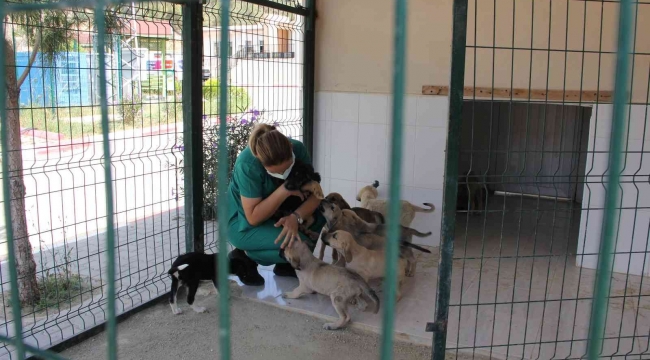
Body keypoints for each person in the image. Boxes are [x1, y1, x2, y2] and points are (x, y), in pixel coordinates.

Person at [227, 124, 325, 286]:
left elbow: (316, 194)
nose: (282, 175)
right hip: (243, 223)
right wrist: (286, 189)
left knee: (323, 214)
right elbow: (253, 217)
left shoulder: (298, 149)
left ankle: (285, 265)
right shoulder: (247, 164)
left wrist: (296, 217)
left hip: (281, 214)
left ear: (291, 148)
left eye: (286, 170)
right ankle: (244, 256)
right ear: (259, 159)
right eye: (276, 173)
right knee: (299, 246)